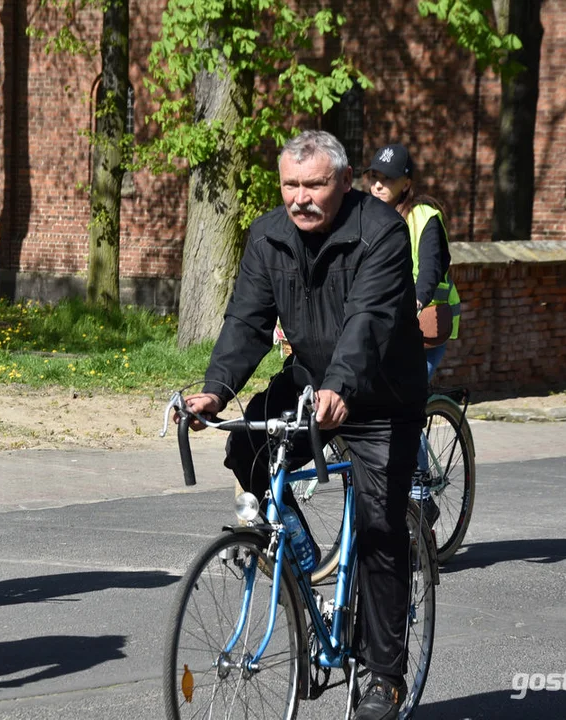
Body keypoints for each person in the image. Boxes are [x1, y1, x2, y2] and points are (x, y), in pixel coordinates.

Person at [181, 130, 428, 720]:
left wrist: (341, 386)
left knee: (378, 527)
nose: (301, 198)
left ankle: (384, 678)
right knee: (246, 446)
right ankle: (299, 560)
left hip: (381, 395)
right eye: (290, 185)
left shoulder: (382, 232)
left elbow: (368, 320)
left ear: (344, 181)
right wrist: (216, 390)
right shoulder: (268, 236)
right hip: (311, 380)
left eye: (314, 184)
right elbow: (245, 321)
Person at [363, 143, 461, 381]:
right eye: (374, 177)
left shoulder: (424, 218)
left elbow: (431, 269)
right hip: (382, 324)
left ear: (406, 184)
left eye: (387, 179)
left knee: (407, 392)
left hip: (424, 324)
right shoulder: (364, 217)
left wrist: (416, 301)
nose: (377, 185)